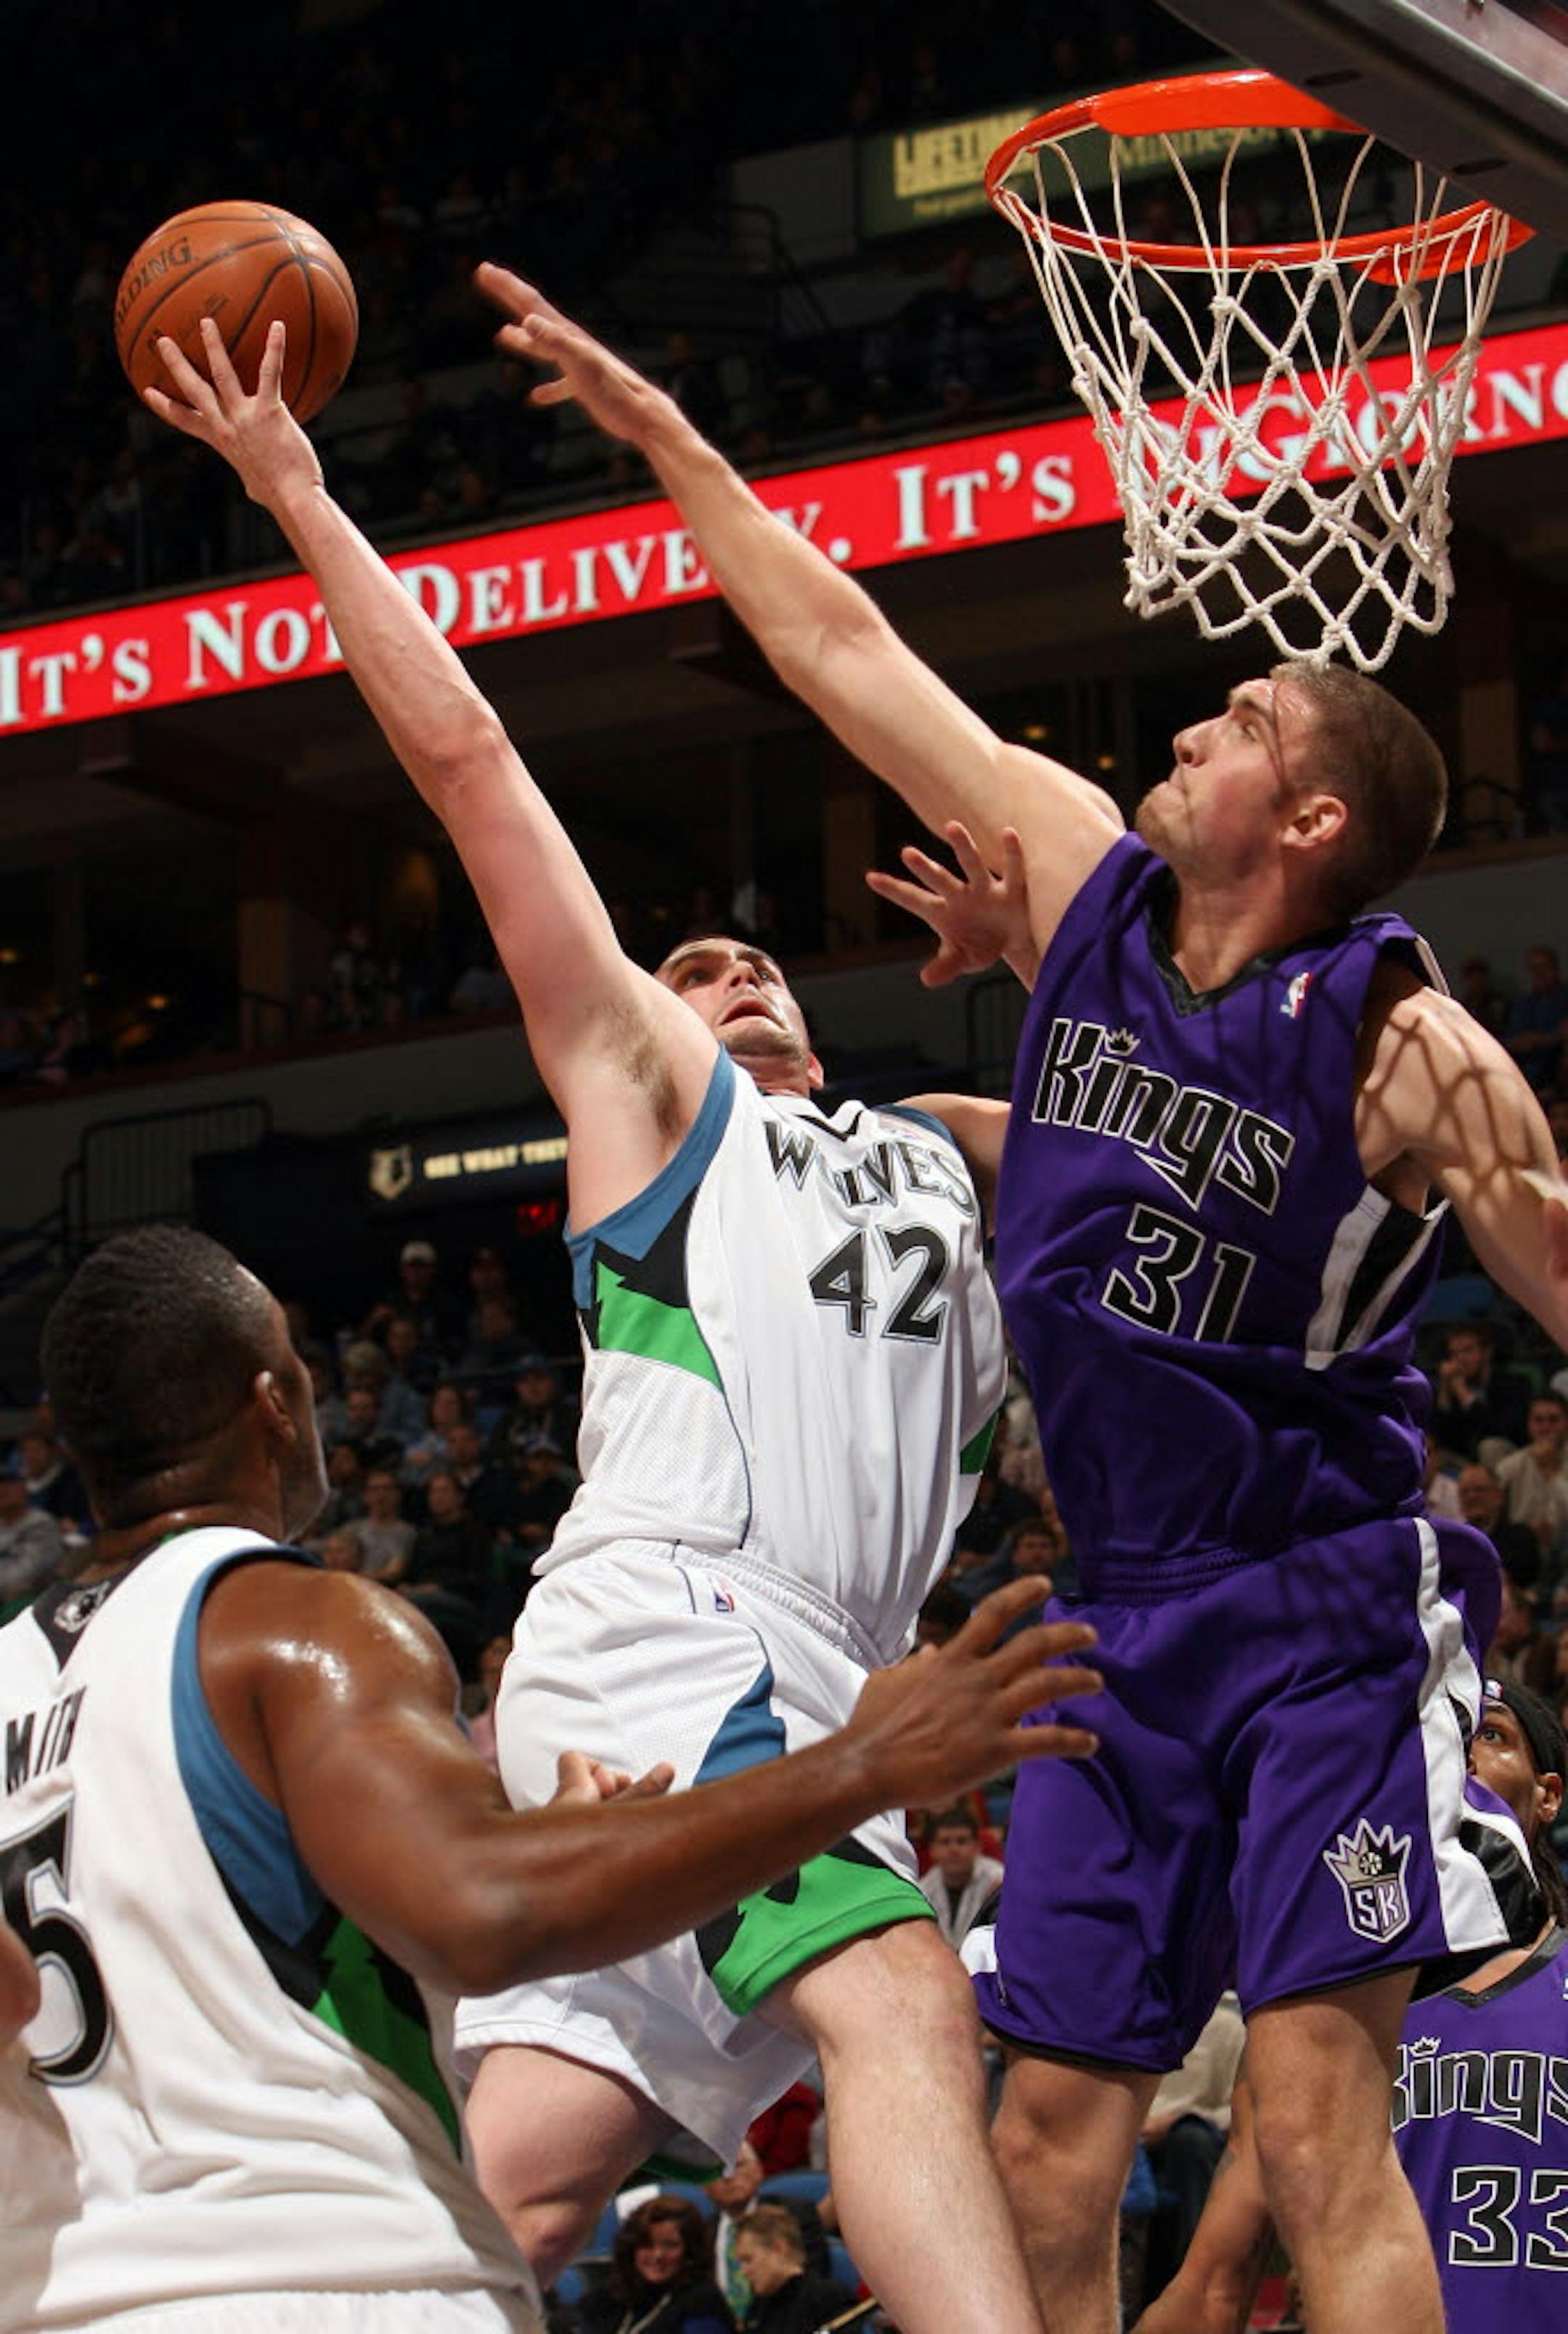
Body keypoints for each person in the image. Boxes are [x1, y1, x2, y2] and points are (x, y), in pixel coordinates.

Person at [472, 272, 1568, 2334]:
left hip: (1323, 1601)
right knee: (1045, 2134)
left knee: (1324, 2126)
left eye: (1240, 723)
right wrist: (667, 436)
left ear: (1311, 820)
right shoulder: (1088, 890)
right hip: (1112, 1614)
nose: (1185, 723)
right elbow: (845, 648)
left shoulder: (1403, 1049)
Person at [144, 317, 1091, 2334]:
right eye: (687, 960)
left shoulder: (943, 1144)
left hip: (817, 1678)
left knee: (513, 2216)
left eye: (756, 952)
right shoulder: (663, 1104)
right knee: (908, 1989)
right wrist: (299, 493)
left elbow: (1158, 1118)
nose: (726, 961)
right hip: (681, 1631)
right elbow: (473, 764)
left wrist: (1035, 944)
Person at [0, 1222, 1096, 2334]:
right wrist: (868, 1763)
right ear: (275, 1401)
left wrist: (549, 1836)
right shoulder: (292, 1623)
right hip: (320, 2276)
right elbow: (489, 1913)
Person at [1132, 1679, 1568, 2334]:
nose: (1461, 1747)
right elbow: (1214, 2289)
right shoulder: (1315, 2022)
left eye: (1492, 1732)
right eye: (1447, 1729)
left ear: (1548, 1796)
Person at [577, 2195, 734, 2334]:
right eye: (647, 2245)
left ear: (691, 2251)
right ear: (631, 2249)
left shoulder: (703, 2304)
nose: (658, 2255)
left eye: (670, 2245)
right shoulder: (604, 2301)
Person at [733, 2205, 854, 2334]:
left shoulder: (830, 2299)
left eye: (748, 2260)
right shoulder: (757, 2309)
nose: (743, 2271)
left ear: (779, 2249)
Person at [918, 1805, 1005, 1947]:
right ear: (932, 1850)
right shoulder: (923, 1889)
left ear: (977, 1847)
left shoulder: (1000, 1881)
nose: (954, 1849)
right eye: (945, 1842)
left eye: (962, 1841)